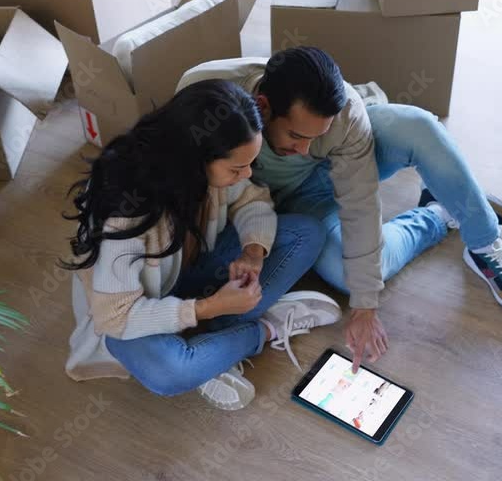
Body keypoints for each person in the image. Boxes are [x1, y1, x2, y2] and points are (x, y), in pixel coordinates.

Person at [177, 48, 502, 372]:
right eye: (296, 137)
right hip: (290, 201)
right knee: (357, 274)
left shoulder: (345, 113)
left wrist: (366, 308)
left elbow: (360, 203)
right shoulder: (205, 96)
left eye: (316, 136)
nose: (305, 149)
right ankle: (440, 212)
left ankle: (484, 241)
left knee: (420, 127)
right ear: (263, 105)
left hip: (351, 159)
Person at [61, 79, 341, 410]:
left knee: (306, 233)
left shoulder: (201, 171)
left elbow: (253, 198)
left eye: (249, 163)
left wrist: (253, 253)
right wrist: (208, 308)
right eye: (237, 168)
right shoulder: (129, 215)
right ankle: (264, 329)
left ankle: (216, 343)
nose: (247, 173)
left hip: (186, 275)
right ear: (193, 159)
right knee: (169, 372)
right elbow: (114, 317)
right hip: (128, 311)